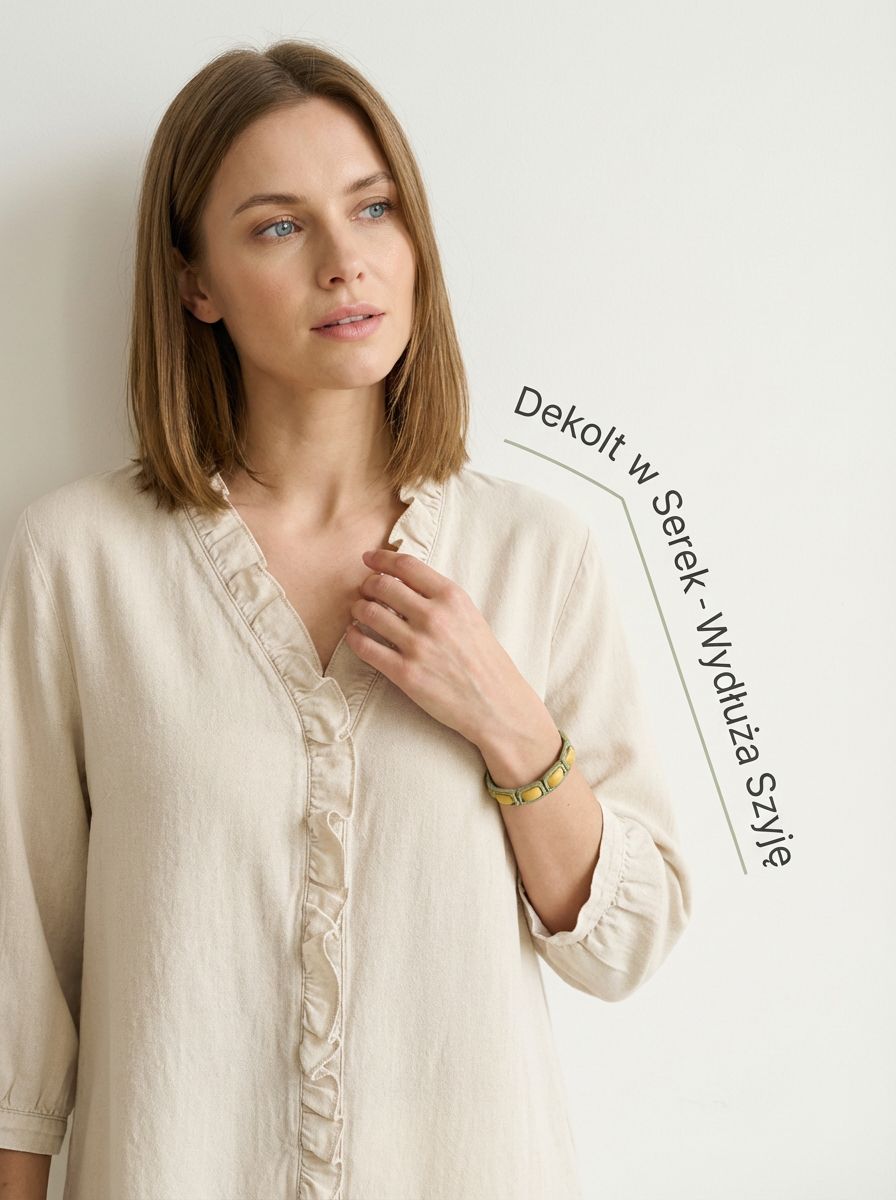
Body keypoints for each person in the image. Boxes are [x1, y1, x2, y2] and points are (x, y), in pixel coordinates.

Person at [0, 38, 692, 1200]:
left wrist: (509, 723)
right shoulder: (78, 564)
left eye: (373, 209)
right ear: (195, 283)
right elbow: (15, 985)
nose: (344, 263)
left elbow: (624, 942)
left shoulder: (537, 554)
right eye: (278, 226)